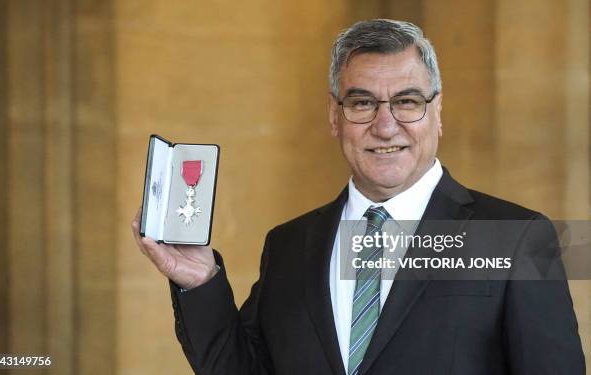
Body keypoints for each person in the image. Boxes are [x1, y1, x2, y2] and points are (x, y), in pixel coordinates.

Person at [131, 19, 585, 375]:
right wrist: (200, 283)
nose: (385, 126)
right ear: (335, 115)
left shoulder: (515, 238)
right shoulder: (290, 245)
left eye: (407, 101)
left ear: (437, 111)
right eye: (362, 102)